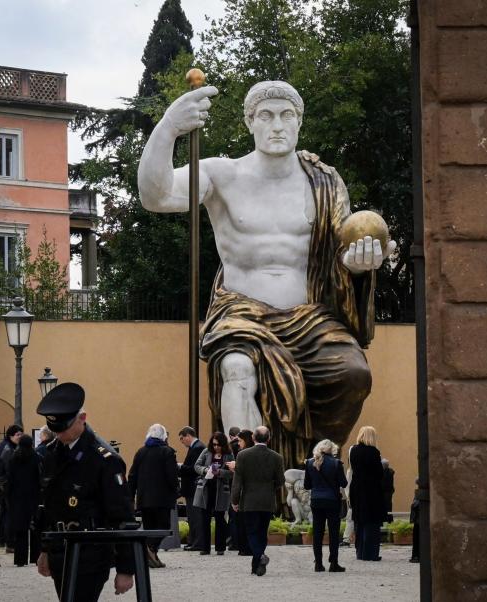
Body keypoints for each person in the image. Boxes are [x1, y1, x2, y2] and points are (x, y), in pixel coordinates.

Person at [138, 81, 395, 468]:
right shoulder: (223, 175)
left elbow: (340, 256)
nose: (277, 125)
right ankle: (251, 479)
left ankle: (314, 468)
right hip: (241, 315)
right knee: (237, 369)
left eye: (286, 115)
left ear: (299, 123)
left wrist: (359, 265)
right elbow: (155, 196)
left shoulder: (325, 182)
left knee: (354, 374)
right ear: (250, 122)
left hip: (309, 319)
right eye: (266, 115)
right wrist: (169, 127)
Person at [36, 383, 135, 601]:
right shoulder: (53, 454)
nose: (59, 434)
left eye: (64, 428)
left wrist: (126, 568)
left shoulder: (104, 459)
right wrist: (44, 550)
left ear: (82, 418)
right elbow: (49, 507)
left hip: (91, 552)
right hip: (61, 551)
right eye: (56, 430)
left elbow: (122, 514)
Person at [231, 426, 285, 576]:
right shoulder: (277, 457)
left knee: (252, 532)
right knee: (262, 533)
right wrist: (269, 488)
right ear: (269, 439)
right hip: (267, 501)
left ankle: (260, 557)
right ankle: (257, 566)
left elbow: (237, 482)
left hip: (249, 500)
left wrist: (235, 500)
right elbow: (281, 481)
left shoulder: (242, 455)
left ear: (253, 438)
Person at [128, 423, 179, 568]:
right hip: (162, 499)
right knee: (163, 527)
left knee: (150, 528)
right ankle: (149, 548)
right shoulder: (167, 452)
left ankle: (152, 557)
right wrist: (176, 489)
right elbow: (172, 475)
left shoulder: (141, 452)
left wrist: (130, 496)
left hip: (144, 499)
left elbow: (132, 476)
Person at [304, 439, 348, 573]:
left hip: (316, 501)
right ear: (332, 450)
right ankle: (333, 563)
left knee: (318, 532)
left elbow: (307, 485)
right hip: (332, 501)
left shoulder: (310, 463)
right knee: (334, 533)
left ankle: (318, 563)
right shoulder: (336, 463)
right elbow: (344, 483)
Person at [193, 431, 235, 555]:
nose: (216, 447)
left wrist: (220, 473)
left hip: (221, 491)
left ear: (223, 444)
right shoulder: (206, 452)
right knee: (204, 519)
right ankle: (205, 548)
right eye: (214, 444)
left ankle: (220, 547)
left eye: (218, 445)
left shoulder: (229, 455)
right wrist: (206, 470)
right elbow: (196, 466)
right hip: (206, 489)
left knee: (220, 519)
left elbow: (232, 473)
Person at [349, 426, 385, 561]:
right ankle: (370, 554)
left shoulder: (353, 450)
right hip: (371, 490)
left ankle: (360, 552)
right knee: (372, 522)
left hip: (357, 488)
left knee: (360, 521)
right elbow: (379, 473)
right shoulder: (374, 452)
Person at [7, 434, 41, 567]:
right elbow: (39, 477)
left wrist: (9, 496)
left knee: (20, 529)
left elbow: (10, 479)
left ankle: (20, 559)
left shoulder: (14, 458)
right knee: (34, 527)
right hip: (33, 496)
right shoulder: (36, 458)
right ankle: (35, 557)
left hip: (17, 497)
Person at [0, 424, 23, 550]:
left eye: (21, 434)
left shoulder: (6, 446)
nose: (20, 437)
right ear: (11, 435)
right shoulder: (8, 448)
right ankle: (8, 541)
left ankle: (2, 540)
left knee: (4, 512)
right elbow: (8, 467)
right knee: (8, 513)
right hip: (5, 483)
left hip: (1, 482)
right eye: (18, 435)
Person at [177, 426, 206, 551]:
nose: (182, 442)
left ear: (188, 435)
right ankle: (193, 541)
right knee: (192, 517)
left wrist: (179, 467)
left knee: (195, 517)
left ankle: (197, 543)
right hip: (192, 488)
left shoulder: (198, 447)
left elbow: (193, 469)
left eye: (182, 439)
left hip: (193, 487)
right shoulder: (195, 447)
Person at [409, 478, 421, 563]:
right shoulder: (418, 493)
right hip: (418, 519)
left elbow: (415, 505)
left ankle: (416, 556)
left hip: (419, 519)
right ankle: (416, 556)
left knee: (417, 538)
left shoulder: (418, 493)